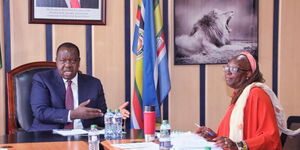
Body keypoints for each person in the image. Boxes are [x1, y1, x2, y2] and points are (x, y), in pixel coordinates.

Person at [196, 51, 300, 150]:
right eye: (227, 67)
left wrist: (238, 145)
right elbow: (232, 138)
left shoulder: (257, 94)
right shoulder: (239, 97)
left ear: (248, 74)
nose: (228, 72)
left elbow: (270, 138)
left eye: (234, 69)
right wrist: (213, 137)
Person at [30, 42, 129, 131]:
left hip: (83, 137)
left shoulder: (94, 84)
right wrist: (72, 114)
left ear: (79, 62)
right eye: (63, 61)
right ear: (56, 61)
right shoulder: (42, 79)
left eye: (73, 61)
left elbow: (100, 117)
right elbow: (40, 112)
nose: (68, 65)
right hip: (47, 136)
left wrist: (115, 116)